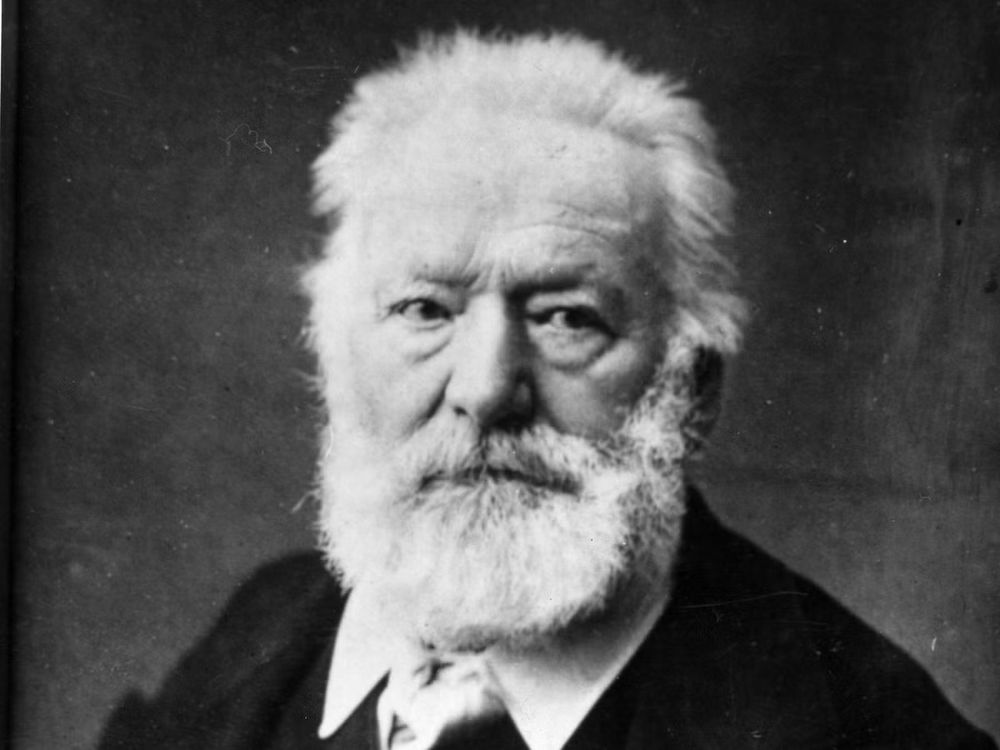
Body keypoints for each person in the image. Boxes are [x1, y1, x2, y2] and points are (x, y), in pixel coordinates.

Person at [98, 31, 996, 750]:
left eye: (567, 318)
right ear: (335, 357)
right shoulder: (263, 637)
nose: (486, 388)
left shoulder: (868, 729)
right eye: (424, 309)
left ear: (692, 392)